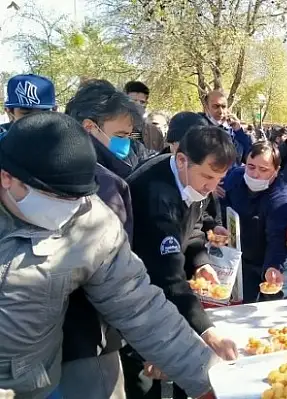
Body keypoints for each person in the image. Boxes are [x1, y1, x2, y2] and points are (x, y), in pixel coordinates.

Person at [0, 113, 221, 399]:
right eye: (56, 197)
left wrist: (208, 378)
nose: (69, 209)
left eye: (77, 197)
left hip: (35, 381)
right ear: (7, 177)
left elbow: (138, 305)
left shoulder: (92, 223)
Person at [124, 126, 239, 399]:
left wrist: (200, 262)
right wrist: (209, 332)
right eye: (208, 177)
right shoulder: (156, 195)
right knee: (144, 380)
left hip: (166, 293)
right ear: (181, 160)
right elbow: (168, 277)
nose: (212, 187)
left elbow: (195, 226)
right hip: (135, 296)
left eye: (219, 178)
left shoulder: (192, 180)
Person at [61, 85, 143, 399]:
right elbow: (115, 277)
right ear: (89, 128)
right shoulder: (105, 186)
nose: (126, 143)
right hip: (88, 338)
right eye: (121, 134)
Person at [221, 141, 287, 303]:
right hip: (245, 256)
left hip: (275, 258)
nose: (254, 174)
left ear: (276, 171)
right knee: (245, 305)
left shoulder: (280, 197)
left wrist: (273, 266)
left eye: (263, 170)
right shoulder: (235, 177)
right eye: (251, 166)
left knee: (274, 308)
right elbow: (224, 204)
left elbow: (277, 237)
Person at [201, 90, 251, 164]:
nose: (220, 111)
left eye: (223, 107)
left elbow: (250, 156)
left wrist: (239, 131)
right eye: (216, 106)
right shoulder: (198, 128)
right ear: (206, 107)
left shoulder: (233, 131)